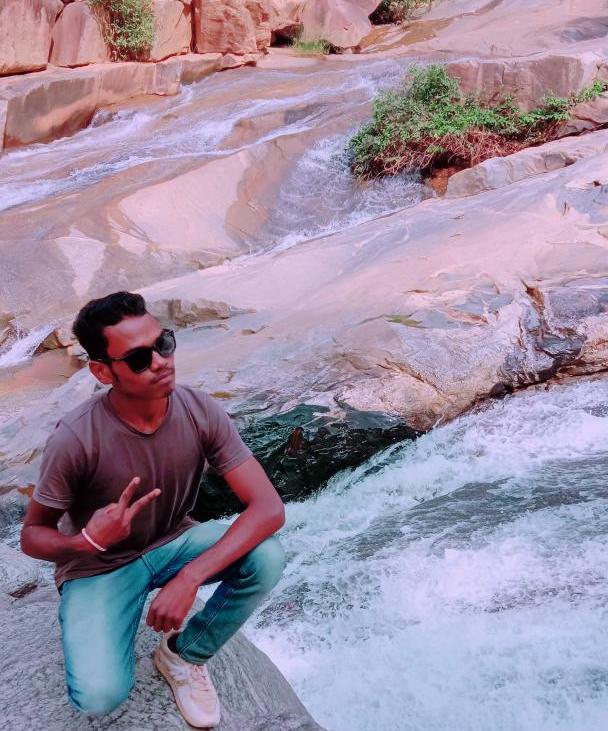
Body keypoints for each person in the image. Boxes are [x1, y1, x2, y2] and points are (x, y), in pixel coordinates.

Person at [20, 291, 286, 728]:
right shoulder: (75, 439)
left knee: (267, 556)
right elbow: (32, 536)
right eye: (139, 359)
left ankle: (184, 655)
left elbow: (269, 508)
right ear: (102, 372)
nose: (161, 362)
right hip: (97, 567)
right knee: (99, 696)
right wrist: (86, 541)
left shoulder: (200, 410)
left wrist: (190, 578)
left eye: (163, 344)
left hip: (174, 543)